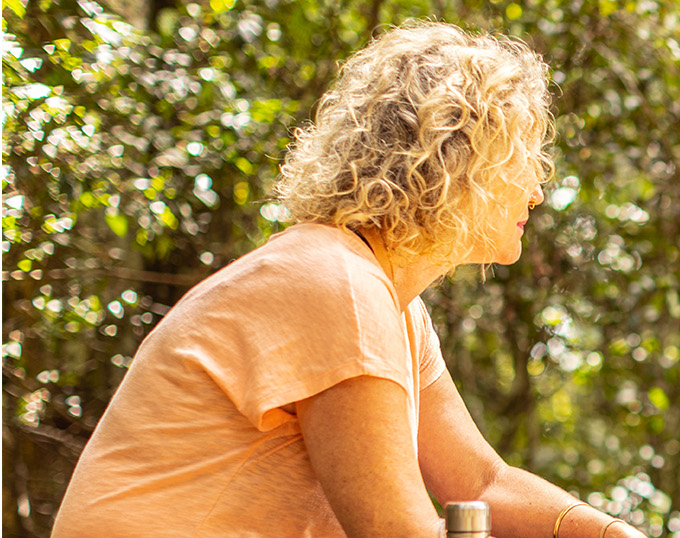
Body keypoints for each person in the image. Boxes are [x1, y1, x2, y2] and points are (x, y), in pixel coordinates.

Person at [52, 22, 643, 538]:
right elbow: (400, 533)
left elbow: (483, 483)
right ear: (461, 166)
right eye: (522, 162)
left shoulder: (385, 300)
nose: (537, 191)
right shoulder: (338, 288)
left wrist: (611, 532)